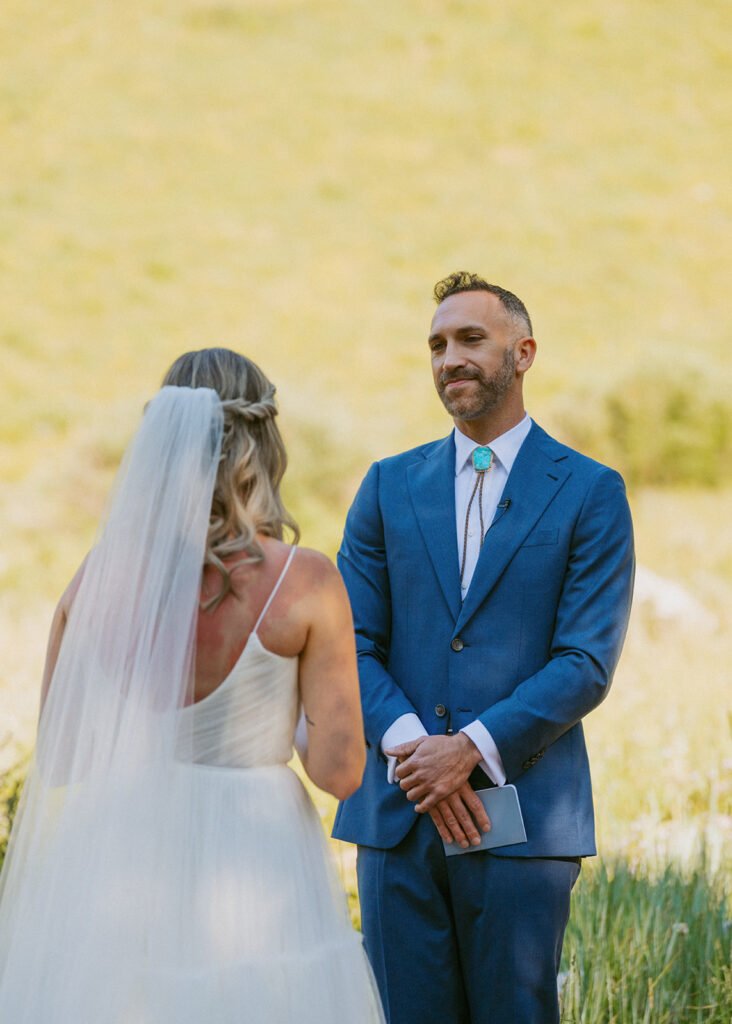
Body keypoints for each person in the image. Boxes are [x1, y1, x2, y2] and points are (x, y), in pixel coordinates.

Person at [0, 348, 384, 1023]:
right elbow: (340, 772)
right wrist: (278, 710)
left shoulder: (95, 579)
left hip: (119, 855)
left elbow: (61, 760)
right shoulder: (306, 581)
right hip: (256, 859)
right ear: (263, 442)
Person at [333, 273, 635, 1024]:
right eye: (436, 344)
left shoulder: (591, 491)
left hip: (525, 818)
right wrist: (416, 753)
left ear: (523, 351)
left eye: (470, 339)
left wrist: (467, 748)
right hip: (398, 819)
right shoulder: (386, 485)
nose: (449, 358)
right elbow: (349, 643)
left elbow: (585, 661)